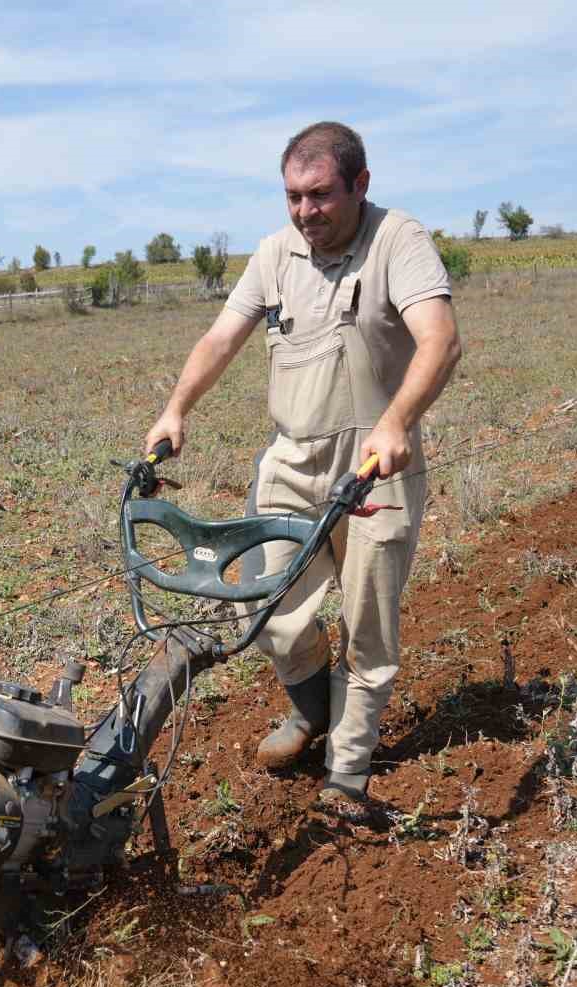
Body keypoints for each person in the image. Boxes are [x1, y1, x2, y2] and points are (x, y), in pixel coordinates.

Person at [143, 120, 461, 815]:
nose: (304, 212)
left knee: (369, 631)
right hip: (292, 461)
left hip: (376, 465)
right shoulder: (275, 253)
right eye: (292, 196)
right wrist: (176, 409)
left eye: (319, 196)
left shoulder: (396, 240)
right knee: (272, 611)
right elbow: (222, 336)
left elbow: (440, 340)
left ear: (360, 185)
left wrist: (397, 421)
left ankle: (347, 771)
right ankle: (314, 712)